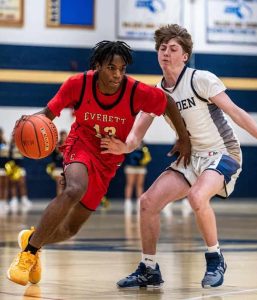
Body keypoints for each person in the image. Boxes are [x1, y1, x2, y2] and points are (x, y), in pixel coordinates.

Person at [102, 25, 257, 289]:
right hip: (190, 157)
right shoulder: (156, 93)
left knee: (197, 196)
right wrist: (122, 147)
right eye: (162, 48)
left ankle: (215, 258)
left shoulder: (200, 79)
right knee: (148, 202)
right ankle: (149, 268)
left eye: (173, 49)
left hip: (223, 153)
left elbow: (236, 112)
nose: (166, 53)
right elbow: (135, 136)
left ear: (185, 55)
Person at [6, 40, 191, 286]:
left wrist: (183, 137)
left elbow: (166, 102)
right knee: (74, 188)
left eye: (122, 69)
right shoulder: (77, 84)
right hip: (80, 145)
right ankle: (27, 255)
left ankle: (33, 240)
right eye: (111, 68)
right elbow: (48, 114)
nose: (117, 75)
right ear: (98, 66)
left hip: (108, 161)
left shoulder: (135, 91)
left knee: (71, 229)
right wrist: (27, 122)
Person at [123, 140, 152, 214]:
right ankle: (127, 202)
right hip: (130, 166)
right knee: (130, 184)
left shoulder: (143, 143)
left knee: (139, 185)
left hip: (141, 167)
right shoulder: (129, 141)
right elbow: (126, 154)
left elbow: (147, 156)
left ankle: (139, 202)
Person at [7, 136, 32, 213]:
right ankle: (14, 199)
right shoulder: (10, 146)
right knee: (13, 184)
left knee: (22, 184)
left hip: (21, 168)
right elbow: (7, 157)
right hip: (13, 167)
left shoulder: (22, 145)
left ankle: (24, 199)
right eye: (13, 137)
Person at [46, 130, 68, 195]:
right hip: (58, 168)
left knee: (67, 186)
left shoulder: (70, 145)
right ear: (60, 136)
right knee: (59, 185)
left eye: (65, 136)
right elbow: (53, 158)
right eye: (62, 136)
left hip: (67, 168)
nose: (64, 137)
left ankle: (66, 202)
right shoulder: (57, 145)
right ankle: (59, 202)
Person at [0, 127, 10, 214]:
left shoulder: (5, 143)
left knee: (5, 186)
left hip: (5, 168)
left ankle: (4, 202)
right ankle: (0, 202)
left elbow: (7, 155)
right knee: (0, 186)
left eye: (1, 133)